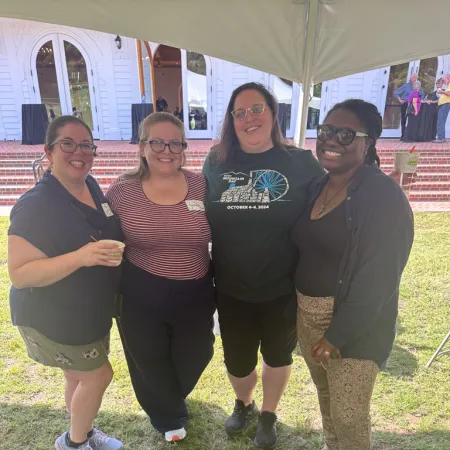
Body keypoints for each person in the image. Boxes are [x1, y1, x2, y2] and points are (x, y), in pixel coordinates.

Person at [203, 82, 325, 449]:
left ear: (273, 114)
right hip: (231, 286)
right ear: (231, 121)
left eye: (256, 109)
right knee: (237, 361)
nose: (248, 118)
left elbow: (328, 206)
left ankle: (268, 413)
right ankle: (244, 402)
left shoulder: (301, 162)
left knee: (277, 354)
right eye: (239, 112)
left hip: (282, 287)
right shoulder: (217, 161)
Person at [291, 99, 414, 450]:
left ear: (368, 142)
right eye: (326, 131)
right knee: (328, 403)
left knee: (349, 415)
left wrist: (337, 335)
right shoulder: (318, 186)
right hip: (308, 318)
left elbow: (380, 278)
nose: (332, 140)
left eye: (346, 134)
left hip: (353, 326)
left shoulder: (383, 196)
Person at [8, 116, 124, 450]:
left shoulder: (88, 185)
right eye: (68, 144)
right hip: (55, 314)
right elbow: (20, 273)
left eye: (86, 145)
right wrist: (82, 256)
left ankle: (83, 430)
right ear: (48, 151)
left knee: (78, 375)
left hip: (87, 309)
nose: (79, 152)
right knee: (98, 375)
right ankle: (74, 444)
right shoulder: (35, 205)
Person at [106, 112, 215, 443]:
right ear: (142, 146)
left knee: (199, 352)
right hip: (141, 289)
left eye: (175, 143)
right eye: (157, 141)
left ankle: (168, 398)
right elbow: (104, 239)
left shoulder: (201, 185)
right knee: (148, 358)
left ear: (184, 148)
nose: (166, 150)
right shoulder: (121, 192)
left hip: (196, 290)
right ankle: (168, 417)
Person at [394, 73, 425, 141]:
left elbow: (422, 95)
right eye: (414, 77)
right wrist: (400, 99)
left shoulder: (417, 86)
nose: (415, 79)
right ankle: (403, 136)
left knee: (411, 121)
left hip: (414, 105)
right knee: (404, 120)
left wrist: (421, 100)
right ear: (410, 78)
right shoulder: (406, 86)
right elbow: (396, 92)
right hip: (405, 104)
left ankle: (409, 136)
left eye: (416, 78)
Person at [433, 74, 450, 143]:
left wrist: (441, 92)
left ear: (448, 78)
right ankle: (441, 137)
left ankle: (441, 138)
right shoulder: (448, 86)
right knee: (441, 121)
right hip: (443, 105)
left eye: (444, 80)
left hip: (445, 104)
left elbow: (449, 93)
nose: (443, 81)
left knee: (441, 121)